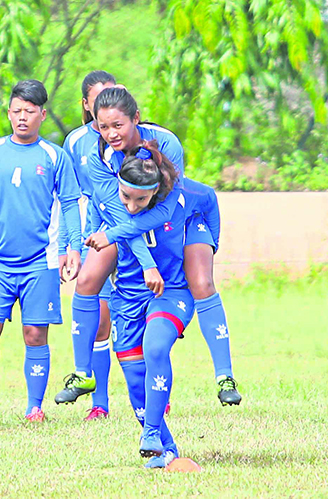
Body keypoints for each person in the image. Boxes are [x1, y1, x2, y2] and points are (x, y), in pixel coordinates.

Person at [58, 86, 241, 406]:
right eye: (102, 127)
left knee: (200, 282)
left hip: (185, 215)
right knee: (87, 280)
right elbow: (122, 214)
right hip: (129, 219)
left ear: (136, 119)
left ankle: (224, 375)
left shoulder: (166, 143)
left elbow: (165, 211)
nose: (110, 133)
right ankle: (83, 372)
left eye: (118, 125)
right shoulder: (97, 158)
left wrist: (209, 244)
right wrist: (144, 261)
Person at [0, 79, 83, 422]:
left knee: (35, 333)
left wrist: (73, 247)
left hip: (41, 262)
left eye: (30, 112)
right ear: (8, 113)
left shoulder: (55, 156)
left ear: (42, 115)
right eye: (17, 111)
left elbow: (68, 204)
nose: (22, 118)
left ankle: (34, 407)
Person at [104, 154, 193, 468]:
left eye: (140, 199)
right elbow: (128, 229)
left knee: (156, 348)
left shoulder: (174, 203)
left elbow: (207, 199)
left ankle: (153, 433)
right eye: (125, 195)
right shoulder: (110, 202)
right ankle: (166, 450)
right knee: (135, 383)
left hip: (169, 293)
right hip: (126, 300)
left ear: (155, 191)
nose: (131, 205)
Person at [56, 70, 117, 420]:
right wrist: (70, 244)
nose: (107, 106)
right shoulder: (75, 142)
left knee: (134, 316)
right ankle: (101, 404)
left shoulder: (130, 138)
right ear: (86, 105)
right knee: (100, 319)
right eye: (98, 99)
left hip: (125, 228)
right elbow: (70, 199)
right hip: (93, 233)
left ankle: (150, 392)